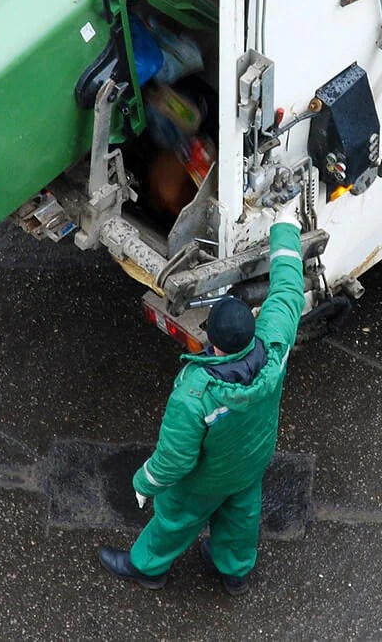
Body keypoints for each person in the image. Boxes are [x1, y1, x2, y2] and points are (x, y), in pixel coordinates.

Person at [99, 209, 306, 595]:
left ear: (216, 343)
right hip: (250, 464)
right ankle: (235, 573)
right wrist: (284, 228)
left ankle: (147, 567)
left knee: (176, 518)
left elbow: (175, 460)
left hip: (206, 481)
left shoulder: (196, 394)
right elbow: (288, 291)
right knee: (242, 514)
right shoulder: (274, 346)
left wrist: (145, 481)